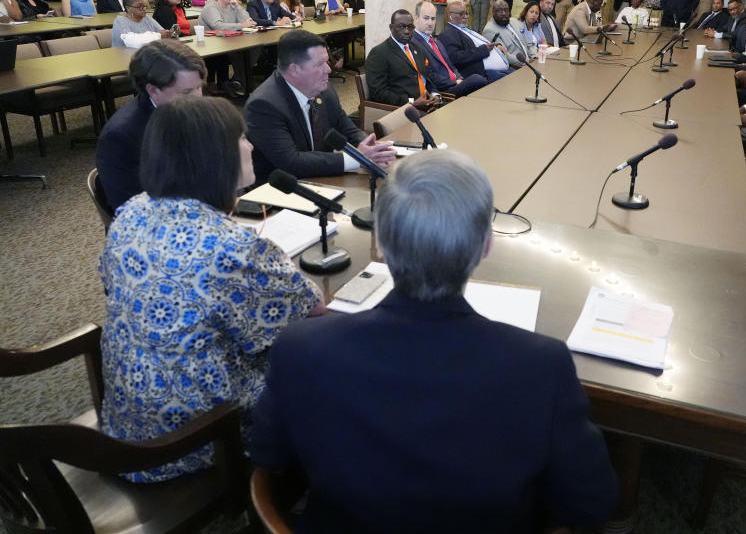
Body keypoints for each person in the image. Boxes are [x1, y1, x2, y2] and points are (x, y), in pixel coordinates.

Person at [249, 149, 619, 533]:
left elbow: (268, 454)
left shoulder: (301, 347)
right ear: (486, 246)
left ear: (382, 243)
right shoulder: (541, 365)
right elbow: (591, 503)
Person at [99, 94, 324, 483]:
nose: (251, 146)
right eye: (241, 139)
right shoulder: (233, 250)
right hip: (200, 434)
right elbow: (312, 311)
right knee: (326, 360)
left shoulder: (131, 211)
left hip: (128, 416)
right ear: (213, 158)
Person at [245, 30, 394, 182]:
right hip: (282, 191)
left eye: (327, 61)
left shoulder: (323, 89)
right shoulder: (264, 105)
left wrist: (367, 145)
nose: (329, 69)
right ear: (294, 69)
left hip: (323, 179)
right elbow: (291, 162)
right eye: (320, 64)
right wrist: (357, 159)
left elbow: (346, 128)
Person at [95, 40, 207, 212]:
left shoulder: (191, 110)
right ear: (153, 90)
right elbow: (131, 208)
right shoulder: (120, 137)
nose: (198, 98)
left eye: (199, 87)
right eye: (186, 92)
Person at [366, 9, 443, 107]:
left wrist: (435, 95)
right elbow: (379, 92)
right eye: (401, 27)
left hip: (428, 103)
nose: (407, 31)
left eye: (410, 27)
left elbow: (426, 78)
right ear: (391, 27)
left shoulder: (417, 49)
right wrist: (412, 103)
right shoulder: (379, 53)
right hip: (404, 109)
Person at [412, 1, 488, 97]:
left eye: (433, 19)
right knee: (478, 79)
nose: (430, 23)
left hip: (455, 82)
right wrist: (455, 82)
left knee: (485, 77)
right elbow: (430, 76)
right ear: (416, 18)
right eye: (426, 18)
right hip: (444, 90)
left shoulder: (436, 42)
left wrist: (460, 78)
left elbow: (451, 66)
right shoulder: (413, 43)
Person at [439, 0, 512, 82]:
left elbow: (479, 42)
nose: (466, 17)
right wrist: (483, 50)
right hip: (478, 74)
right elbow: (456, 58)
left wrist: (495, 46)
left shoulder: (465, 29)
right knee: (511, 80)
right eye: (461, 14)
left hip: (491, 70)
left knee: (516, 76)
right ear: (450, 16)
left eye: (466, 13)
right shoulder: (448, 33)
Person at [484, 0, 529, 67]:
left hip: (529, 62)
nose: (504, 13)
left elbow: (527, 42)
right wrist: (526, 62)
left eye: (506, 10)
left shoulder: (515, 21)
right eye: (499, 10)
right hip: (515, 67)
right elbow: (505, 56)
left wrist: (535, 56)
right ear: (493, 12)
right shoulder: (489, 30)